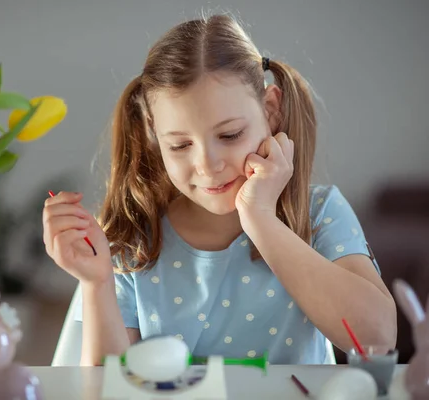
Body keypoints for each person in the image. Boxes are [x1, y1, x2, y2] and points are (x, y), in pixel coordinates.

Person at [42, 13, 397, 366]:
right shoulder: (136, 235)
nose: (208, 166)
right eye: (180, 145)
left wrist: (260, 220)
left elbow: (377, 338)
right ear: (154, 133)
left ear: (270, 110)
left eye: (229, 136)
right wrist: (97, 283)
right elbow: (108, 387)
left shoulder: (319, 212)